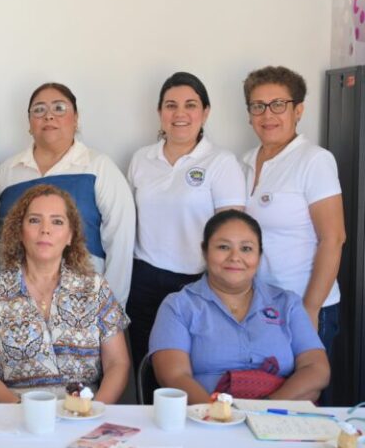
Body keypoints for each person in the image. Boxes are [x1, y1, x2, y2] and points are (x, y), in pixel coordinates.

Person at [126, 72, 245, 374]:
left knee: (192, 371)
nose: (180, 113)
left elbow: (231, 231)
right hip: (144, 279)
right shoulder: (141, 159)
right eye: (171, 105)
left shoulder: (221, 162)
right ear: (159, 112)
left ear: (205, 112)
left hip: (197, 282)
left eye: (190, 105)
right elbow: (128, 221)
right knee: (146, 365)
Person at [0, 184, 130, 403]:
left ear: (70, 235)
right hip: (12, 410)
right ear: (19, 232)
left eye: (57, 221)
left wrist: (95, 411)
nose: (45, 229)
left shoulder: (95, 288)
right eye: (34, 220)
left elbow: (117, 364)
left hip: (83, 410)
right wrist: (23, 410)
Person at [149, 210, 329, 404]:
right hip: (204, 415)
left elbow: (317, 369)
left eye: (246, 248)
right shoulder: (178, 306)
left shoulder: (287, 303)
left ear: (259, 255)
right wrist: (218, 416)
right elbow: (174, 377)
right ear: (205, 251)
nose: (235, 257)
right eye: (223, 247)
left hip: (279, 414)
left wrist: (265, 409)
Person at [0, 82, 135, 308]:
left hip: (85, 304)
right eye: (39, 109)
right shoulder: (6, 174)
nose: (49, 116)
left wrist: (109, 309)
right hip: (18, 305)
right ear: (29, 123)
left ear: (76, 118)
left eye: (59, 108)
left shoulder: (98, 167)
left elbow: (121, 242)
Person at [242, 66, 345, 360]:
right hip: (260, 305)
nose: (267, 115)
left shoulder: (314, 161)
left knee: (306, 386)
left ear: (298, 110)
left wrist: (310, 309)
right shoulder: (245, 161)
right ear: (249, 114)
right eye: (258, 106)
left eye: (278, 104)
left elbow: (333, 239)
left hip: (303, 305)